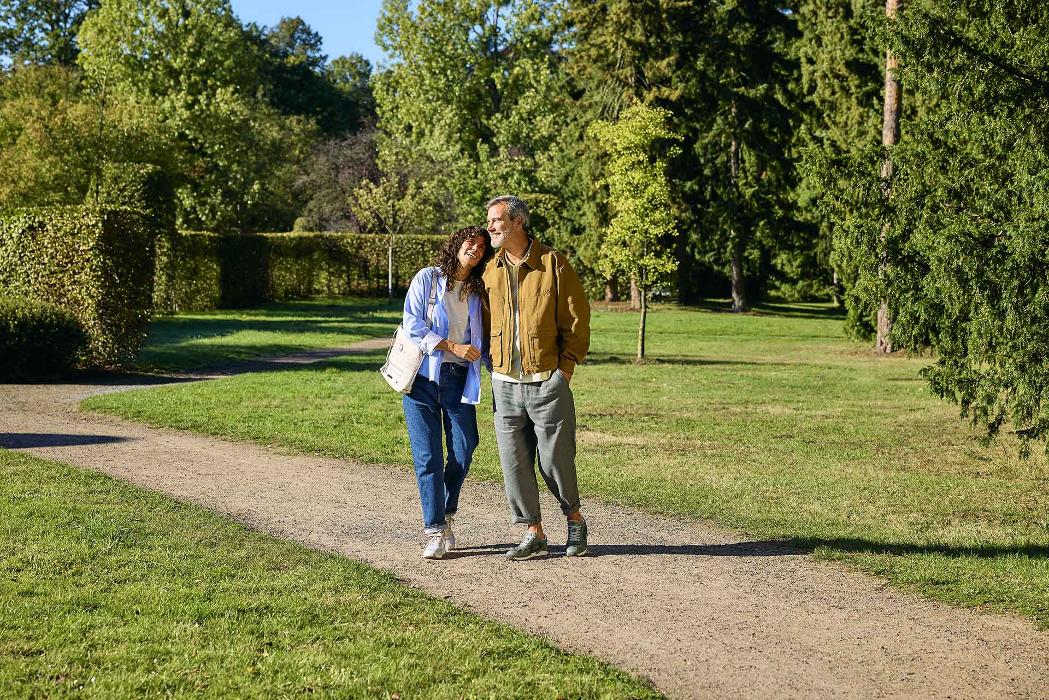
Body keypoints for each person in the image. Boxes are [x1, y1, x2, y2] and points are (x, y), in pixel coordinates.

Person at [481, 195, 591, 560]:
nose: (490, 227)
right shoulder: (490, 268)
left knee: (554, 460)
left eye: (496, 220)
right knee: (513, 462)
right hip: (504, 383)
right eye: (489, 220)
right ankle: (533, 532)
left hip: (547, 380)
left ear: (517, 222)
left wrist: (565, 369)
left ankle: (574, 520)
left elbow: (577, 318)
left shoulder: (552, 263)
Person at [402, 226, 492, 559]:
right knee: (428, 457)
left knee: (465, 447)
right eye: (471, 241)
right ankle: (436, 530)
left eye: (483, 246)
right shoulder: (428, 278)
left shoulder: (477, 290)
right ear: (457, 243)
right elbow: (412, 324)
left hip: (457, 379)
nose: (476, 247)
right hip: (421, 379)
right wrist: (452, 345)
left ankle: (447, 510)